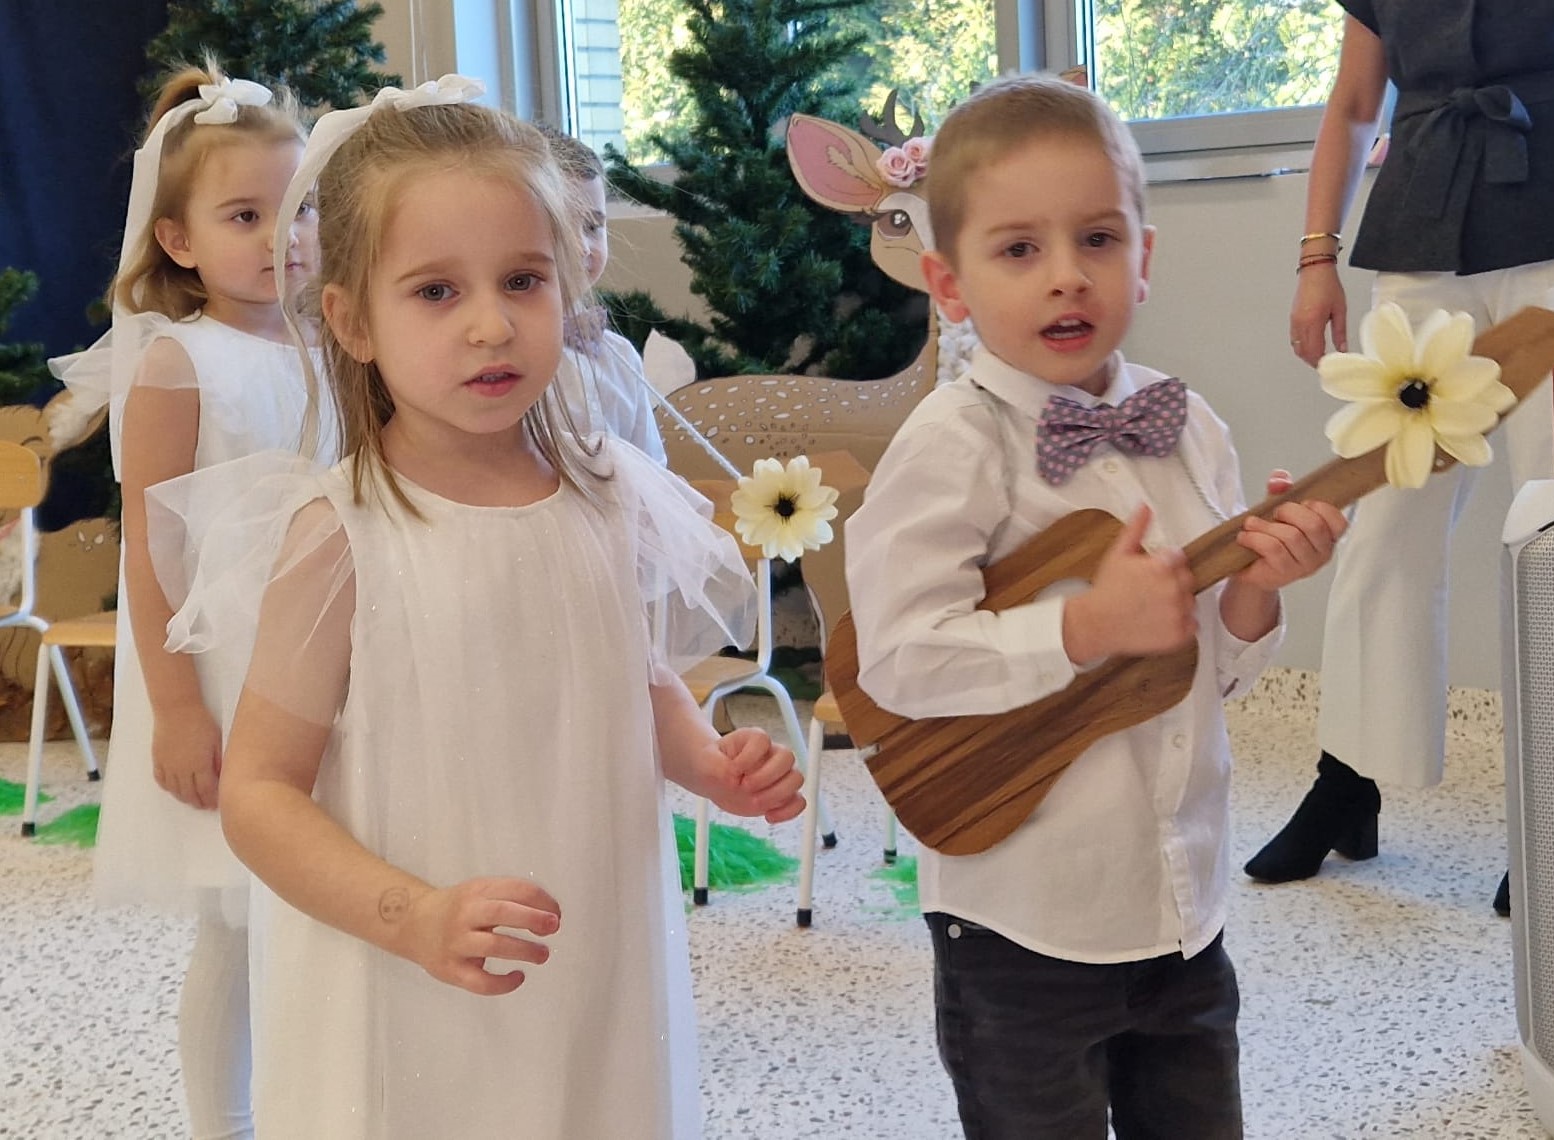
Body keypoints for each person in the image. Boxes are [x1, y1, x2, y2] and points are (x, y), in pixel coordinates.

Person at [150, 81, 804, 1139]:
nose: (492, 324)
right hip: (412, 963)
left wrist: (708, 761)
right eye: (437, 292)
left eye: (522, 280)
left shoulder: (607, 492)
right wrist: (412, 916)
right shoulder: (342, 535)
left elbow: (630, 678)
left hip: (590, 936)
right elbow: (260, 793)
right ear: (352, 321)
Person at [845, 73, 1348, 1138]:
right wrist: (1081, 628)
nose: (1067, 276)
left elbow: (1206, 671)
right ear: (948, 283)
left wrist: (1256, 590)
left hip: (1183, 906)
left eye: (1099, 239)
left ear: (1145, 258)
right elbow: (898, 662)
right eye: (1020, 250)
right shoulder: (953, 444)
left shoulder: (1190, 427)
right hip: (1022, 918)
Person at [50, 60, 334, 1140]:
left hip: (326, 659)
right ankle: (226, 1124)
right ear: (178, 240)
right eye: (244, 215)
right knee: (242, 918)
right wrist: (174, 708)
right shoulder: (182, 362)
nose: (281, 238)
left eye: (298, 210)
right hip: (221, 667)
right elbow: (152, 550)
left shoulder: (343, 341)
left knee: (325, 903)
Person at [1247, 3, 1554, 912]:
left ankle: (1547, 812)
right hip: (1422, 233)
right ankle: (1349, 778)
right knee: (1382, 523)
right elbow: (1353, 103)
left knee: (1547, 526)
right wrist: (1316, 258)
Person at [539, 124, 669, 462]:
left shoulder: (620, 357)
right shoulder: (500, 364)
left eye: (593, 226)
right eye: (559, 226)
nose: (582, 246)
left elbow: (653, 467)